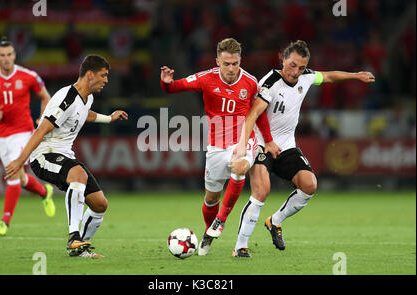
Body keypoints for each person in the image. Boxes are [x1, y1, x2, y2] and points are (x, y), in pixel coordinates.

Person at [232, 40, 375, 257]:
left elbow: (328, 76)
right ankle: (240, 246)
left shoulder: (306, 77)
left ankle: (275, 221)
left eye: (300, 67)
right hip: (262, 143)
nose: (296, 72)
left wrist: (355, 75)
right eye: (292, 65)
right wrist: (244, 146)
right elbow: (252, 114)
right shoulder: (270, 82)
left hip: (287, 146)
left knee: (309, 185)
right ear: (283, 60)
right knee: (262, 191)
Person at [160, 38, 280, 257]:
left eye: (235, 63)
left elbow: (257, 113)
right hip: (216, 145)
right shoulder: (206, 78)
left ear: (240, 60)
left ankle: (220, 221)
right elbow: (175, 87)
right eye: (227, 64)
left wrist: (269, 140)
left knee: (240, 167)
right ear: (218, 61)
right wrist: (167, 82)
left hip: (244, 139)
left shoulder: (250, 82)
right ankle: (208, 232)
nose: (232, 68)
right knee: (211, 198)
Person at [5, 54, 128, 258]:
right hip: (44, 155)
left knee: (100, 204)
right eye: (104, 75)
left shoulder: (87, 97)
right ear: (90, 75)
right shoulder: (66, 98)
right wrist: (20, 161)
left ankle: (80, 249)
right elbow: (41, 131)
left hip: (64, 154)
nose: (106, 80)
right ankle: (74, 237)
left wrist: (109, 118)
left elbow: (84, 113)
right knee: (79, 175)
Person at [0, 37, 55, 236]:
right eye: (2, 55)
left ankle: (4, 221)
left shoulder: (28, 76)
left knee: (12, 176)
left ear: (14, 55)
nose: (6, 59)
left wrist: (42, 118)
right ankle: (45, 192)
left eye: (9, 55)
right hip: (1, 135)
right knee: (20, 178)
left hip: (23, 132)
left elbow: (45, 96)